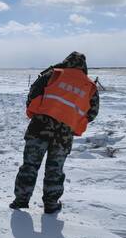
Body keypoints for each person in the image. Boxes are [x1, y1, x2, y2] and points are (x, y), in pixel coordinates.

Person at [11, 52, 99, 214]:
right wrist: (71, 119)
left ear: (66, 61)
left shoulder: (53, 73)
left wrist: (38, 112)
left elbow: (33, 94)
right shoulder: (90, 86)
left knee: (30, 165)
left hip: (39, 127)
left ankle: (21, 200)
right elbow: (92, 113)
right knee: (55, 169)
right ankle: (51, 204)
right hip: (64, 135)